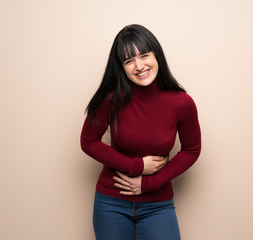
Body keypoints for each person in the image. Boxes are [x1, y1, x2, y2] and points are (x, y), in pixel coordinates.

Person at [80, 24, 201, 240]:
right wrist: (137, 166)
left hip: (158, 204)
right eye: (129, 61)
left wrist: (150, 183)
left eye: (144, 55)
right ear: (121, 67)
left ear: (157, 56)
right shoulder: (111, 99)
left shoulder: (182, 102)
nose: (139, 66)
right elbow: (88, 141)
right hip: (111, 202)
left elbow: (191, 150)